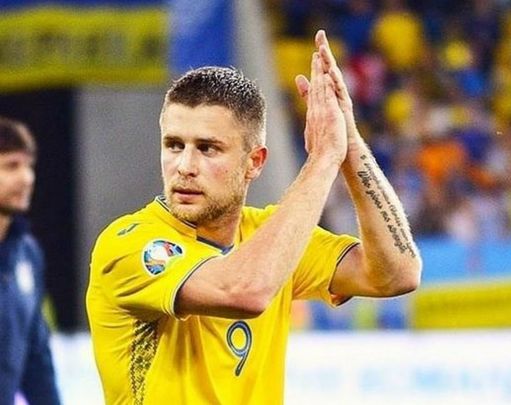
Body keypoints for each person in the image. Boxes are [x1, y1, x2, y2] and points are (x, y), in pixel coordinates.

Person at [86, 30, 422, 404]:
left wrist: (351, 146)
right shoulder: (129, 243)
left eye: (208, 149)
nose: (185, 166)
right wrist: (323, 160)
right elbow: (244, 290)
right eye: (174, 145)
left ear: (254, 162)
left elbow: (397, 274)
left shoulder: (271, 236)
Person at [0, 117, 61, 405]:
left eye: (29, 166)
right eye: (11, 166)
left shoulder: (27, 254)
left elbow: (37, 360)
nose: (27, 178)